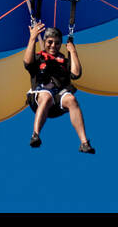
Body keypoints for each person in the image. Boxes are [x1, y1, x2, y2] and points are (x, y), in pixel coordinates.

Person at [23, 21, 94, 153]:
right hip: (40, 95)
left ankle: (84, 142)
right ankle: (35, 135)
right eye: (50, 42)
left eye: (57, 43)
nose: (53, 46)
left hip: (58, 98)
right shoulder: (39, 58)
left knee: (72, 100)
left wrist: (73, 52)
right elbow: (27, 63)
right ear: (44, 42)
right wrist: (32, 38)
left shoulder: (64, 62)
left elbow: (76, 74)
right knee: (46, 96)